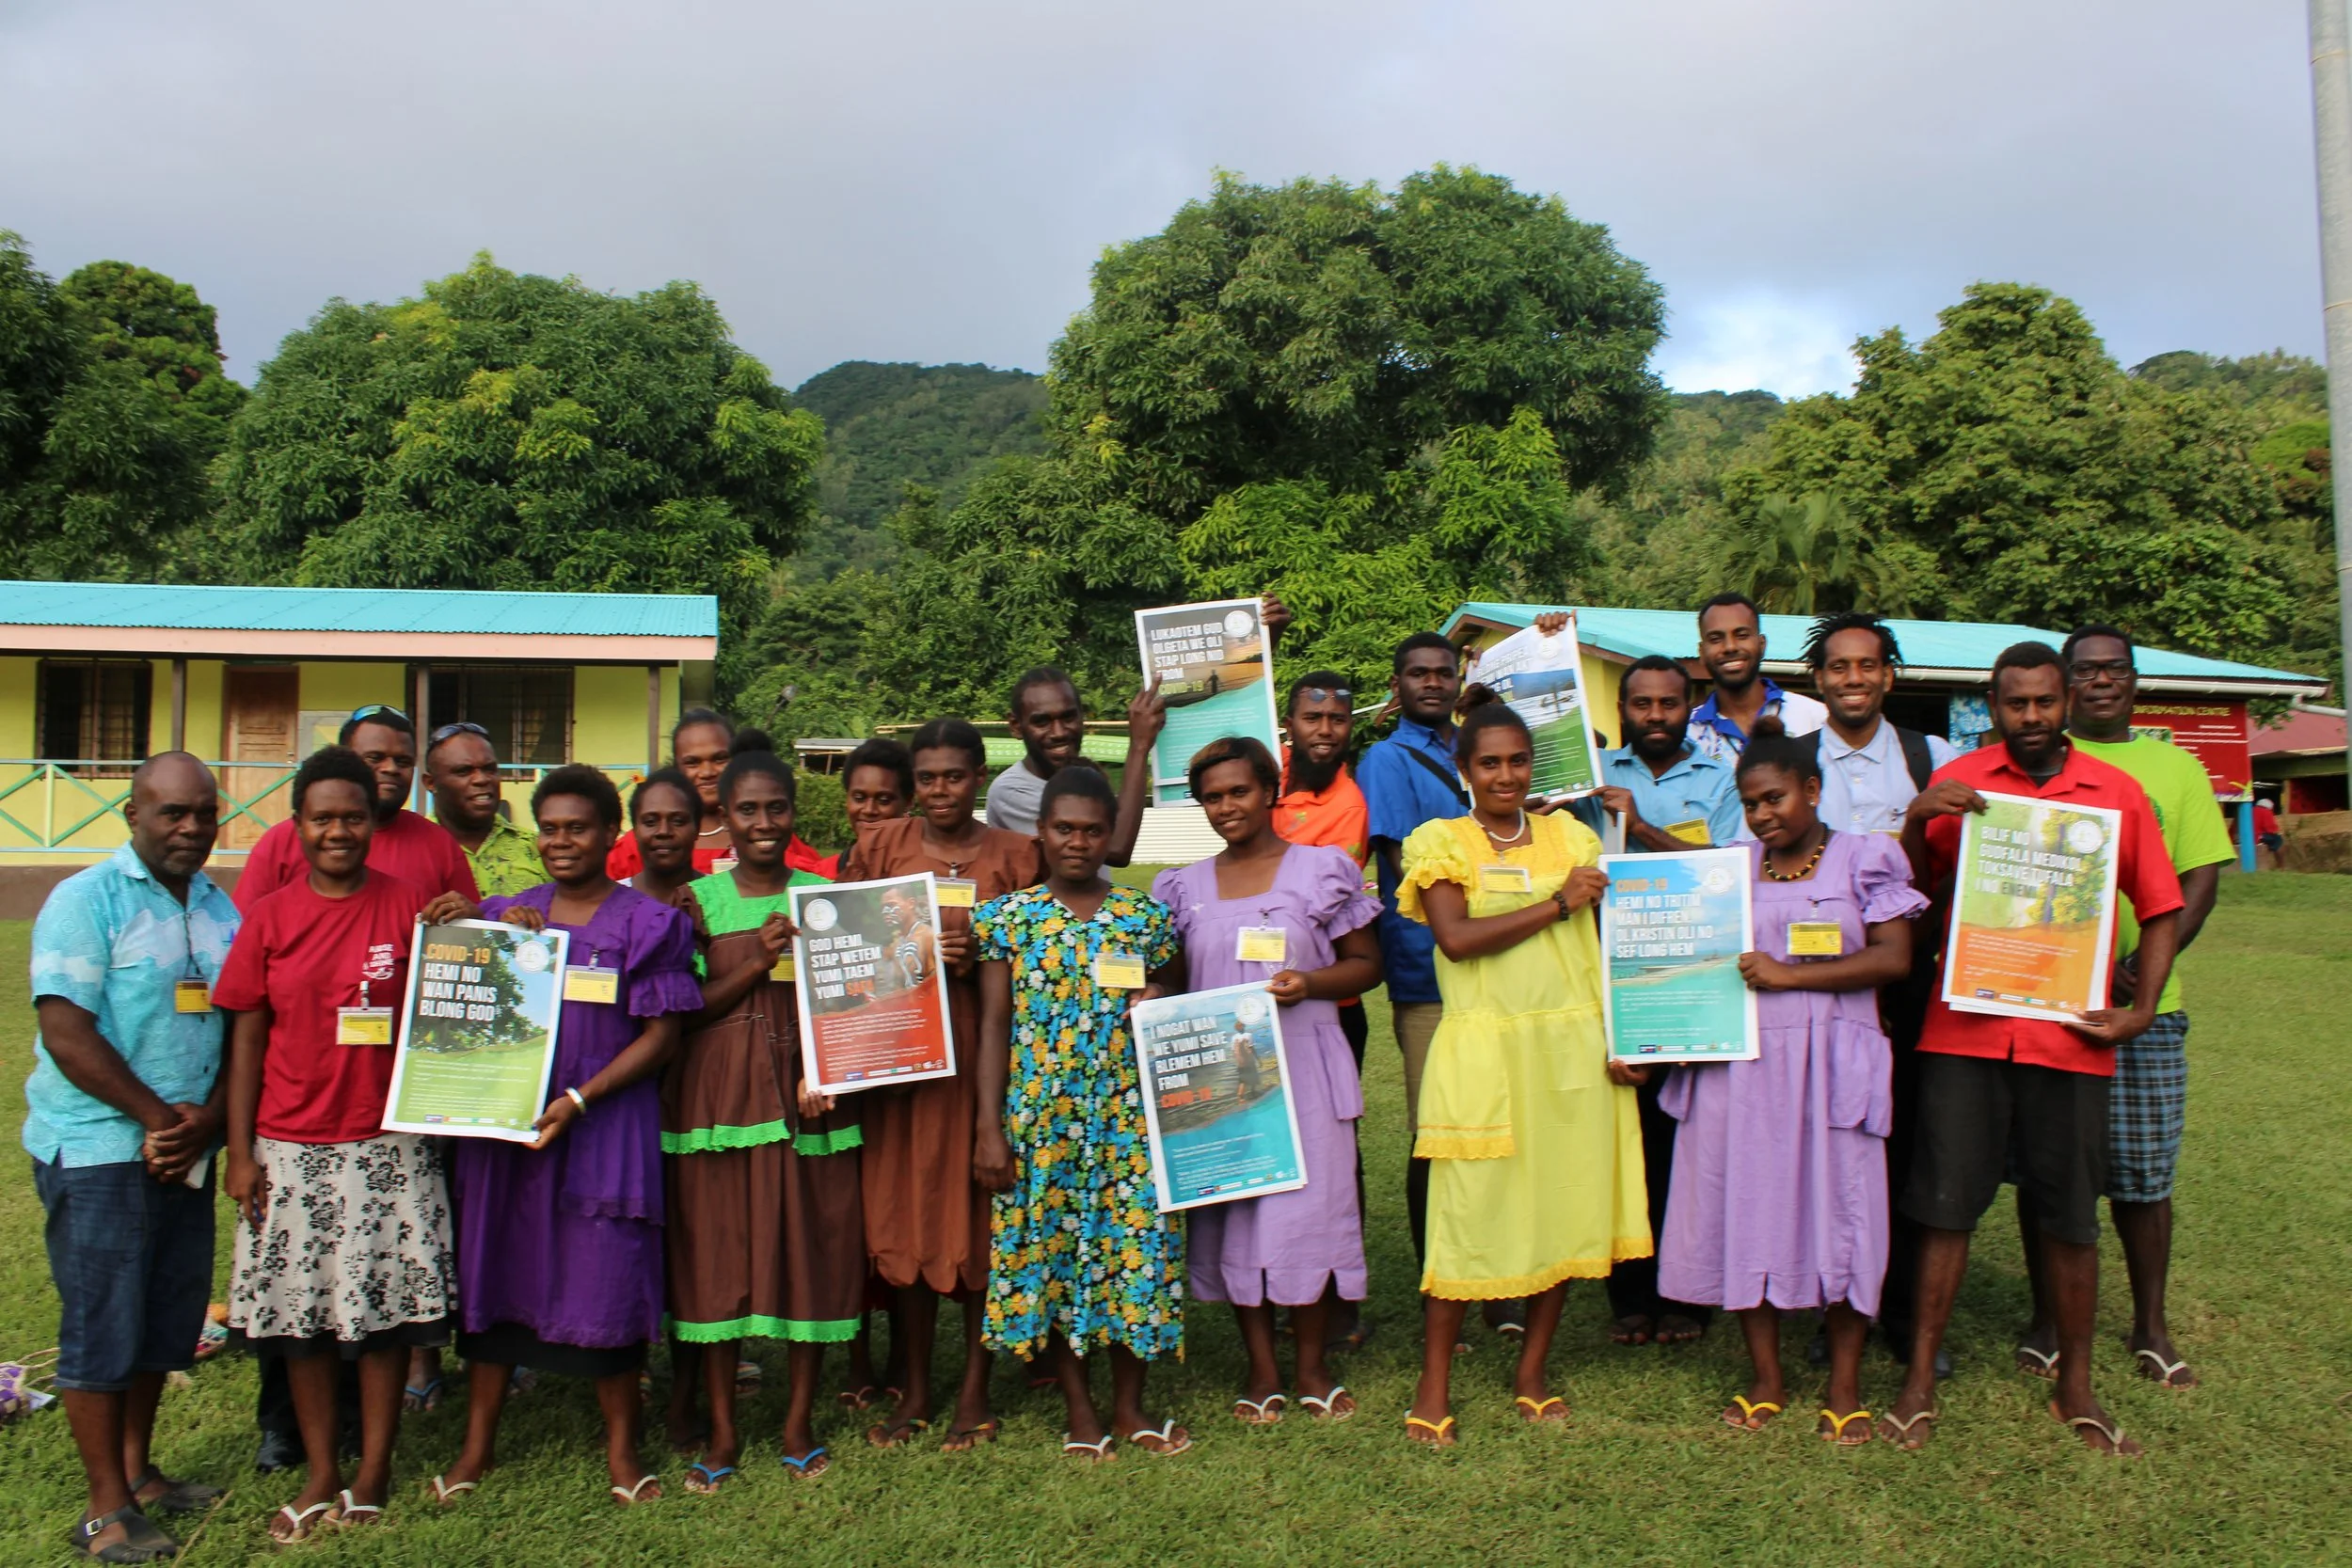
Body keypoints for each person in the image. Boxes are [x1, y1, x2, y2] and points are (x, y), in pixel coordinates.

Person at [1886, 642, 2184, 1456]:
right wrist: (1918, 819)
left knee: (2069, 1212)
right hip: (1965, 1029)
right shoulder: (1963, 783)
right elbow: (1910, 892)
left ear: (2064, 702)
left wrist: (2141, 1009)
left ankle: (2074, 1384)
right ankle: (1917, 1380)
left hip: (2070, 1039)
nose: (2031, 718)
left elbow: (2160, 903)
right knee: (1942, 1207)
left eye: (2044, 702)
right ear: (1993, 703)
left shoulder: (2115, 793)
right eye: (2015, 704)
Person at [433, 766, 702, 1507]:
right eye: (549, 827)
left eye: (576, 827)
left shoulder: (649, 923)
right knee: (499, 1267)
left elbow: (662, 1034)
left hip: (602, 1123)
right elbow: (456, 985)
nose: (560, 841)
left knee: (606, 1271)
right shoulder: (511, 911)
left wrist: (582, 1096)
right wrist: (461, 922)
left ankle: (622, 1450)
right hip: (511, 1126)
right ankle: (476, 1446)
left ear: (610, 835)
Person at [1655, 720, 1928, 1443]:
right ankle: (1766, 1374)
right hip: (1743, 1069)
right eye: (1750, 804)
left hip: (1833, 1064)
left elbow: (1894, 958)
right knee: (1747, 1207)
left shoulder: (1865, 858)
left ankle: (1844, 1378)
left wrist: (1789, 976)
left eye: (1774, 798)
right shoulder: (1732, 868)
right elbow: (1685, 945)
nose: (1762, 814)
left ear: (1812, 789)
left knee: (1845, 1210)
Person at [214, 747, 454, 1542]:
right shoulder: (271, 916)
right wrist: (241, 1149)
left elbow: (466, 993)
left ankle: (374, 1467)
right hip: (287, 1146)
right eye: (323, 818)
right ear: (298, 826)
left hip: (387, 1143)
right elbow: (246, 1035)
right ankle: (322, 1470)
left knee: (383, 1322)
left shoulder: (411, 907)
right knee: (301, 1324)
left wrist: (497, 928)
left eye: (353, 816)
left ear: (372, 823)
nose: (339, 830)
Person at [1394, 694, 1649, 1446]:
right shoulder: (1439, 840)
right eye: (1489, 762)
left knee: (1562, 1205)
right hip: (1483, 1049)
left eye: (1517, 760)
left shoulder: (1572, 837)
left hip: (1572, 1045)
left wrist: (1627, 1034)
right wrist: (1558, 902)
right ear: (1465, 769)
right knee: (1464, 1213)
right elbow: (1457, 940)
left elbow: (1607, 945)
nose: (1506, 774)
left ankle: (1532, 1370)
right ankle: (1433, 1380)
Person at [2006, 625, 2232, 1390]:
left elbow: (2199, 878)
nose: (2102, 682)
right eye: (2087, 672)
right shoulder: (2037, 762)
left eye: (2116, 671)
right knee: (2048, 1171)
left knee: (2143, 1174)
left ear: (2134, 681)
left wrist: (2145, 967)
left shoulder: (2175, 768)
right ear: (2065, 687)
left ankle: (2150, 1324)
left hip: (2146, 1009)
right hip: (2048, 1000)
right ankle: (2044, 1320)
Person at [28, 753, 236, 1562]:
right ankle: (103, 1506)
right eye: (171, 813)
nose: (190, 828)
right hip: (98, 1148)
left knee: (166, 1317)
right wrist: (159, 1119)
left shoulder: (222, 908)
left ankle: (139, 1470)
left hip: (185, 1148)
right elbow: (66, 1032)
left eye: (203, 813)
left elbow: (239, 1023)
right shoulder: (86, 900)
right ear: (133, 813)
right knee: (101, 1323)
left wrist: (208, 1122)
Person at [1152, 737, 1383, 1425]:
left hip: (1306, 1060)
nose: (1227, 807)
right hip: (1221, 1071)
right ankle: (1260, 1367)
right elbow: (1172, 976)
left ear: (1268, 792)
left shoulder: (1323, 870)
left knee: (1308, 1213)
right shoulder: (1181, 886)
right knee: (1237, 1210)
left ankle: (1311, 1364)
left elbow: (1366, 964)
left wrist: (1309, 982)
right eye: (1212, 797)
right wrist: (1153, 997)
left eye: (1239, 791)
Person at [971, 766, 1189, 1459]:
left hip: (1129, 1120)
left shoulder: (1144, 916)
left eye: (1094, 829)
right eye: (1064, 827)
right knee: (1059, 1257)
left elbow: (1174, 988)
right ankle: (1079, 1407)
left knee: (1138, 1256)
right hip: (1043, 1121)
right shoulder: (1009, 917)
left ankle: (1129, 1405)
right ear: (1040, 831)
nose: (1078, 841)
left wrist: (1156, 989)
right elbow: (993, 1023)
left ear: (1111, 834)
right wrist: (988, 1128)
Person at [839, 719, 1045, 1452]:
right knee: (905, 1220)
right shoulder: (879, 848)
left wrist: (976, 955)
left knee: (978, 1224)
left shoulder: (1018, 856)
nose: (939, 790)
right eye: (926, 778)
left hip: (986, 1067)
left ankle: (973, 1389)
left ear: (979, 777)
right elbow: (843, 952)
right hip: (900, 1068)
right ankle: (916, 1386)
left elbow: (1043, 962)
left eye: (953, 776)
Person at [663, 750, 866, 1486]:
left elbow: (854, 1004)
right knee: (717, 1262)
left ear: (793, 813)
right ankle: (721, 1433)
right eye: (747, 809)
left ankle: (797, 1420)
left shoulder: (825, 895)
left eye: (776, 807)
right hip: (719, 1105)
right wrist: (757, 959)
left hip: (806, 1095)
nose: (763, 823)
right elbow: (684, 1011)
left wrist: (829, 1066)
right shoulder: (697, 902)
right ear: (724, 816)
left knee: (808, 1251)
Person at [1799, 610, 1960, 1372]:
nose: (1853, 678)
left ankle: (1899, 1311)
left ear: (1889, 676)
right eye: (1839, 666)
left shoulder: (1937, 759)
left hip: (1921, 986)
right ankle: (1821, 1300)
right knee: (1824, 1149)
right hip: (1818, 990)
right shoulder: (1789, 763)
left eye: (1867, 665)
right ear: (1818, 679)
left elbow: (1973, 875)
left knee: (1910, 1152)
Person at [1585, 653, 1741, 1349]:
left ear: (1690, 706)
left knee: (1690, 1143)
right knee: (1626, 1141)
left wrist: (1643, 828)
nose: (1655, 716)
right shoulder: (1590, 774)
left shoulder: (1723, 778)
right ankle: (1630, 1296)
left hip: (1696, 982)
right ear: (1620, 708)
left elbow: (1735, 872)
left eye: (1669, 704)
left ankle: (1689, 1296)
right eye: (1641, 704)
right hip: (1606, 977)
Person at [1355, 633, 1467, 1277]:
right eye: (1418, 674)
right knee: (1435, 1127)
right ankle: (1440, 1268)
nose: (1432, 683)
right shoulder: (1386, 760)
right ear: (1396, 685)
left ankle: (1493, 1267)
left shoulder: (1475, 749)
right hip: (1427, 969)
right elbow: (1405, 865)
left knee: (1492, 1121)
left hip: (1494, 966)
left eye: (1443, 673)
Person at [1275, 670, 1377, 1349]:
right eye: (1313, 717)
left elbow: (1312, 895)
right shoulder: (1264, 772)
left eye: (1337, 719)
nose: (1325, 729)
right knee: (1268, 1143)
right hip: (1253, 996)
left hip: (1329, 1000)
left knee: (1334, 1152)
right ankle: (1279, 1283)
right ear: (1291, 723)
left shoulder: (1351, 802)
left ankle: (1338, 1296)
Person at [821, 736, 915, 1408]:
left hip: (908, 1057)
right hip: (846, 1058)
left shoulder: (913, 886)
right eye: (861, 796)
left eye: (887, 798)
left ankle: (906, 1360)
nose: (872, 809)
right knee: (850, 1213)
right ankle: (858, 1361)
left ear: (907, 802)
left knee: (895, 1208)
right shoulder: (820, 877)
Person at [234, 705, 478, 911]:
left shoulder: (439, 845)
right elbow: (242, 933)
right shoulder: (280, 843)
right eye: (374, 758)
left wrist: (469, 917)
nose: (391, 768)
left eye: (403, 761)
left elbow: (469, 937)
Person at [605, 712, 830, 880]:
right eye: (693, 762)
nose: (707, 772)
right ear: (677, 767)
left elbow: (818, 880)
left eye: (720, 759)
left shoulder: (768, 833)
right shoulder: (645, 841)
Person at [980, 667, 1161, 869]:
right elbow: (1116, 849)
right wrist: (1139, 746)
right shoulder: (1011, 791)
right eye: (1042, 722)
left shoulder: (1086, 781)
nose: (1059, 733)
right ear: (1015, 726)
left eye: (1068, 718)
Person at [1688, 593, 1826, 765]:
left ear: (1762, 645)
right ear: (1701, 652)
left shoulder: (1815, 717)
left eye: (1742, 635)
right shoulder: (1688, 735)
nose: (1730, 647)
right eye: (1716, 639)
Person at [422, 721, 540, 899]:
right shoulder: (413, 849)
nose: (481, 780)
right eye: (463, 771)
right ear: (431, 783)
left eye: (490, 769)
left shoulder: (538, 849)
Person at [619, 768, 703, 905]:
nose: (664, 831)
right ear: (635, 830)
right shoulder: (610, 903)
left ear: (697, 828)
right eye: (650, 822)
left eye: (678, 821)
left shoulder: (724, 902)